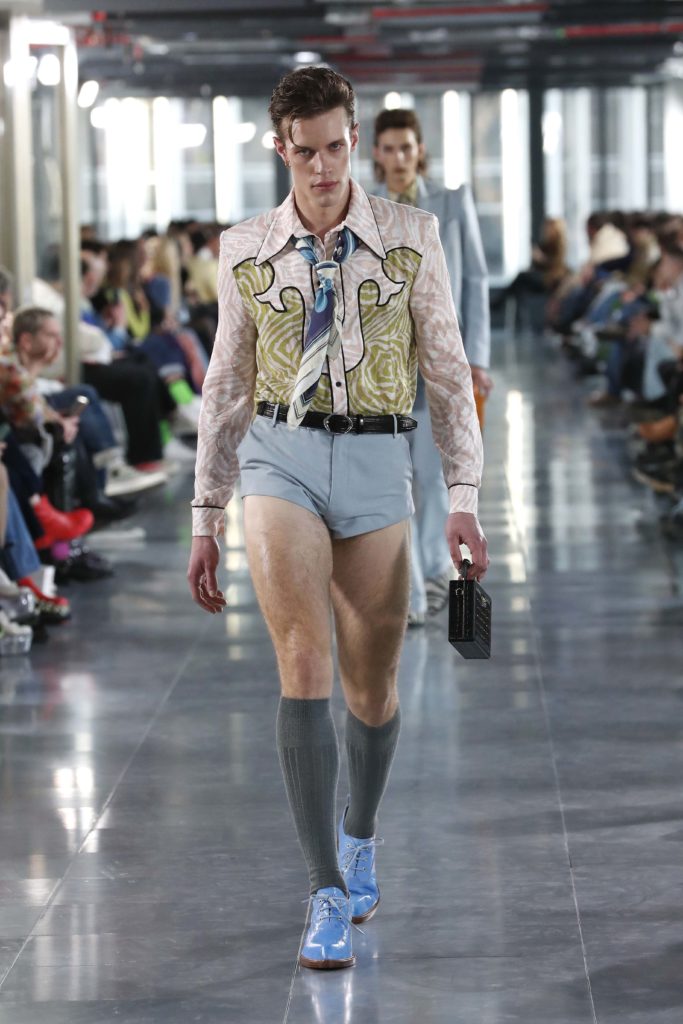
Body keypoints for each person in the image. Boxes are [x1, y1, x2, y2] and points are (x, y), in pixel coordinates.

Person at [187, 67, 488, 971]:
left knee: (372, 686)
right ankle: (322, 888)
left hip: (377, 461)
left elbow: (447, 370)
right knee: (303, 661)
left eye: (333, 147)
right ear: (280, 148)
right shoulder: (246, 248)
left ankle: (359, 836)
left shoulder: (411, 235)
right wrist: (207, 511)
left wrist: (463, 498)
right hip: (277, 457)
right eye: (303, 152)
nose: (322, 168)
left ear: (353, 139)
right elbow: (226, 383)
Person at [372, 107, 492, 624]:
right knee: (394, 481)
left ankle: (430, 574)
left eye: (407, 147)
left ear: (420, 150)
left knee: (435, 478)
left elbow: (475, 280)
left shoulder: (451, 203)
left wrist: (477, 358)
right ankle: (411, 589)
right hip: (383, 369)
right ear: (376, 153)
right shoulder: (365, 208)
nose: (399, 157)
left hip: (441, 363)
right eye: (389, 148)